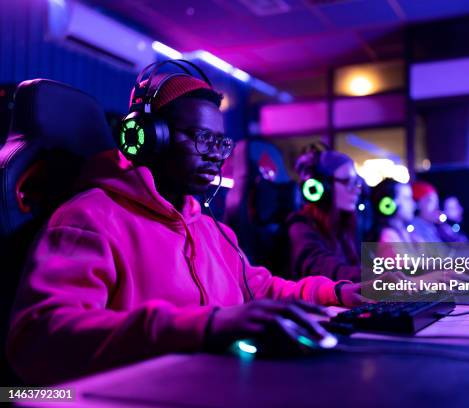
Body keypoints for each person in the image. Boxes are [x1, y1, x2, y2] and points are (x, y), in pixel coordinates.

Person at [5, 61, 368, 385]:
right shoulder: (90, 218)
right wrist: (207, 326)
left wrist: (338, 293)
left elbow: (260, 288)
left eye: (220, 142)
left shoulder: (209, 227)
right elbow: (39, 337)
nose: (215, 155)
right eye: (201, 138)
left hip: (214, 385)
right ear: (148, 139)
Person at [287, 146, 362, 282]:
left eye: (356, 182)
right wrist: (372, 278)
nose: (356, 190)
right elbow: (323, 269)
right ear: (323, 188)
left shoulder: (343, 224)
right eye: (348, 182)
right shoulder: (300, 225)